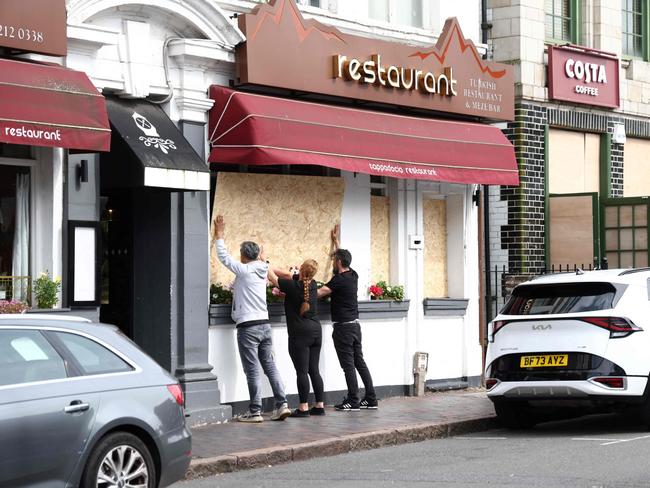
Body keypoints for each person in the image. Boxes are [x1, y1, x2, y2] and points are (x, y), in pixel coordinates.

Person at [212, 215, 291, 422]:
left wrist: (219, 235)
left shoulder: (245, 270)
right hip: (265, 325)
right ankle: (282, 404)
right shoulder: (264, 269)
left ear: (244, 256)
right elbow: (265, 263)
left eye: (240, 254)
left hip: (248, 327)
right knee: (270, 365)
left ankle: (255, 411)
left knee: (252, 370)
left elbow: (224, 257)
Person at [318, 226, 378, 411]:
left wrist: (298, 290)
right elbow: (343, 259)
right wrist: (336, 242)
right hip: (355, 327)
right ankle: (370, 398)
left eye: (335, 260)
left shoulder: (338, 281)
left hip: (343, 329)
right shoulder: (353, 275)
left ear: (338, 262)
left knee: (348, 366)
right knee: (359, 362)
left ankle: (353, 400)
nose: (334, 262)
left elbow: (319, 293)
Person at [268, 260, 325, 417]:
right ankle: (319, 406)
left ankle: (303, 407)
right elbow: (292, 280)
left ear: (300, 270)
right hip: (316, 331)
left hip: (299, 333)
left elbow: (272, 277)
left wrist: (264, 261)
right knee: (314, 370)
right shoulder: (313, 285)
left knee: (301, 371)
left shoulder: (293, 286)